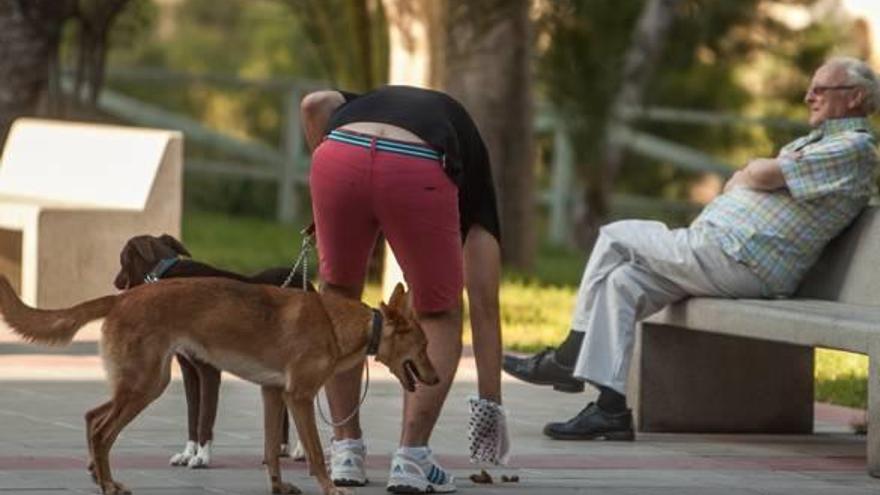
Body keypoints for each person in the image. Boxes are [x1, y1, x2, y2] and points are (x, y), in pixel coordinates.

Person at [504, 56, 880, 440]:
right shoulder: (817, 143)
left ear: (854, 98)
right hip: (723, 253)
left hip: (740, 259)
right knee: (623, 282)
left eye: (820, 90)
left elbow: (759, 174)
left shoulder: (853, 147)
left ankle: (568, 357)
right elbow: (743, 179)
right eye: (810, 88)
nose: (808, 96)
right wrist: (758, 173)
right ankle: (610, 409)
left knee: (615, 236)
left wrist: (760, 171)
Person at [299, 85, 505, 493]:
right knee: (438, 311)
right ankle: (411, 459)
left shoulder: (359, 103)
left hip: (338, 154)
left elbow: (313, 103)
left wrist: (328, 173)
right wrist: (490, 411)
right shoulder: (478, 189)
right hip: (416, 163)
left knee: (337, 296)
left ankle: (345, 453)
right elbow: (485, 306)